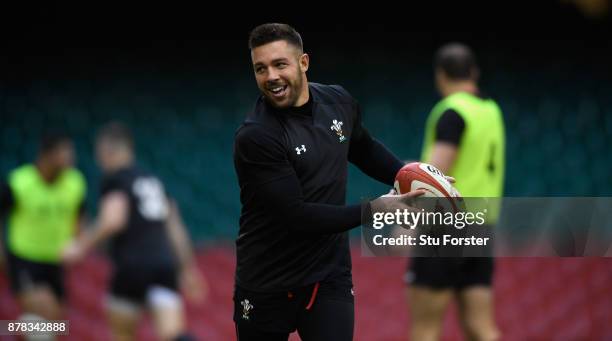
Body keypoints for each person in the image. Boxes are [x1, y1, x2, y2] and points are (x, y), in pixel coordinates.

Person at [233, 23, 429, 341]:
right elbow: (296, 216)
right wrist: (375, 210)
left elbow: (363, 148)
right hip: (266, 281)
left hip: (327, 275)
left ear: (303, 62)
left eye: (279, 64)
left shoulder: (338, 101)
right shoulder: (256, 135)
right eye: (260, 68)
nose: (270, 77)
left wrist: (407, 176)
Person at [62, 122, 206, 341]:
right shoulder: (153, 181)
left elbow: (112, 220)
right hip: (163, 266)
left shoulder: (116, 179)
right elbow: (175, 228)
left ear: (106, 150)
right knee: (173, 335)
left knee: (122, 335)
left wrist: (80, 247)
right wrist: (187, 268)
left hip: (132, 265)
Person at [405, 43, 505, 341]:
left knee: (425, 330)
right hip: (481, 227)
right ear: (473, 72)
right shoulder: (491, 111)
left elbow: (436, 173)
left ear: (440, 75)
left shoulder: (452, 112)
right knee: (481, 328)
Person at [0, 132, 86, 322]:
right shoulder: (19, 182)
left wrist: (78, 243)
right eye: (65, 152)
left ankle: (21, 331)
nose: (71, 158)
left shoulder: (75, 182)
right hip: (25, 260)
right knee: (46, 313)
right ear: (48, 155)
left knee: (56, 322)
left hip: (56, 262)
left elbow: (80, 216)